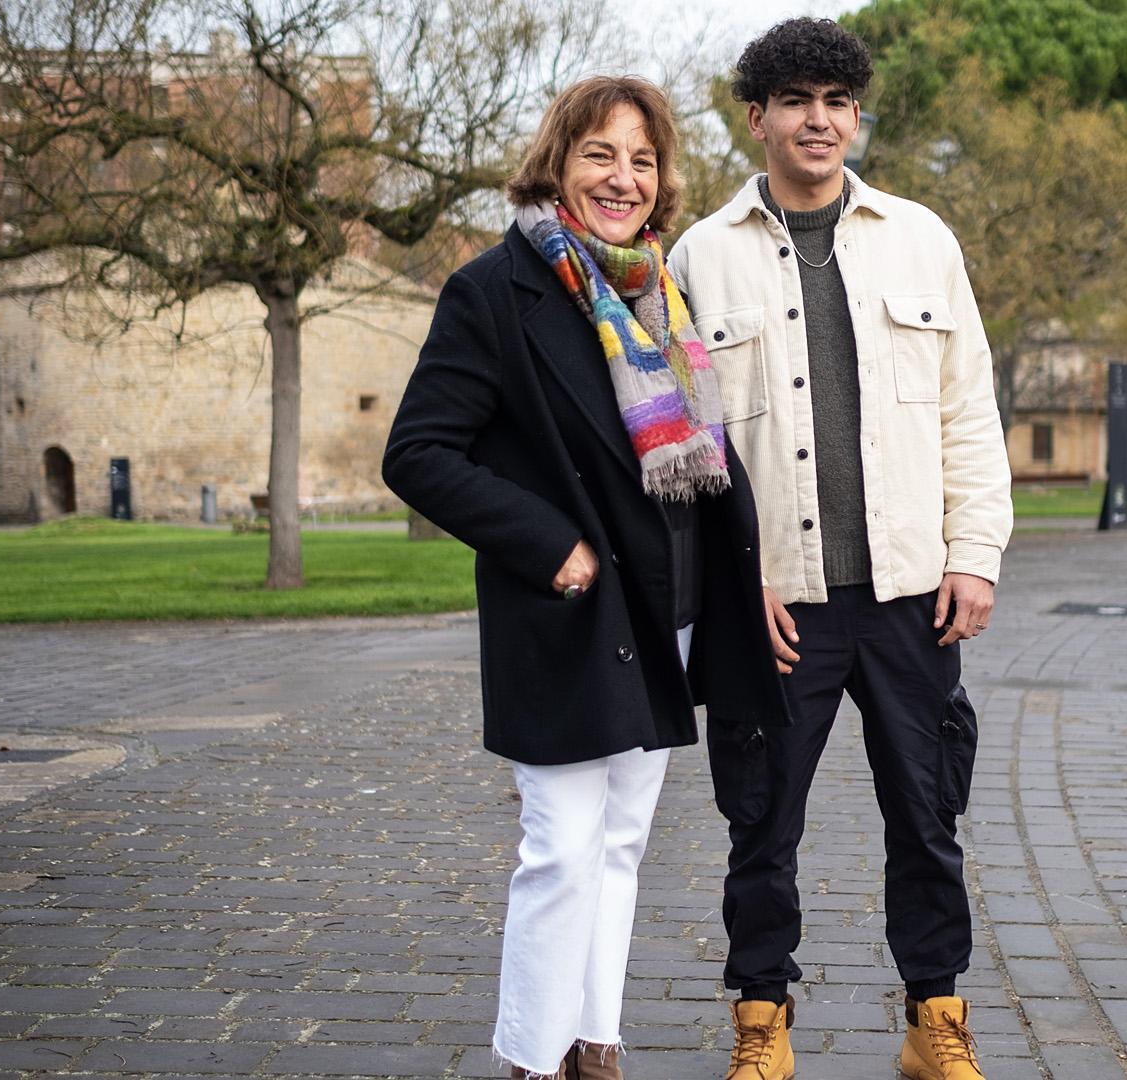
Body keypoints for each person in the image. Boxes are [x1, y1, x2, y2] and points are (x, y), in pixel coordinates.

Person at [382, 75, 789, 1080]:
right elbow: (419, 453)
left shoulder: (659, 287)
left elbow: (703, 454)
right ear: (558, 161)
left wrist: (746, 573)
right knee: (562, 848)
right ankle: (531, 1057)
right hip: (567, 614)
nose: (624, 177)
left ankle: (593, 1042)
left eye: (643, 159)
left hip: (670, 613)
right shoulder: (496, 290)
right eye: (601, 154)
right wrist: (546, 542)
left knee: (619, 846)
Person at [668, 19, 1012, 1080]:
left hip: (913, 596)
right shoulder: (699, 256)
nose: (819, 120)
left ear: (856, 117)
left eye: (837, 101)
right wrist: (733, 588)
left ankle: (934, 1026)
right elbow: (685, 446)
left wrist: (976, 554)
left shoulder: (922, 240)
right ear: (757, 117)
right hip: (783, 605)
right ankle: (761, 1029)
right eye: (796, 101)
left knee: (927, 820)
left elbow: (968, 411)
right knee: (762, 826)